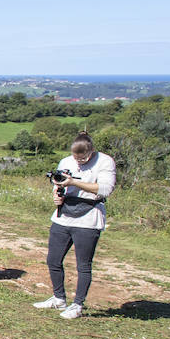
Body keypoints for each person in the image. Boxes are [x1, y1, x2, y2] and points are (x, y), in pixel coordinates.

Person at [33, 132, 116, 320]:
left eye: (84, 158)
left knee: (83, 265)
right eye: (76, 158)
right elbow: (60, 183)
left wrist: (75, 182)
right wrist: (57, 192)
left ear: (92, 151)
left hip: (88, 217)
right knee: (53, 259)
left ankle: (77, 304)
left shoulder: (105, 162)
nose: (79, 162)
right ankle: (58, 297)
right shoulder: (66, 162)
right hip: (64, 214)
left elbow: (106, 189)